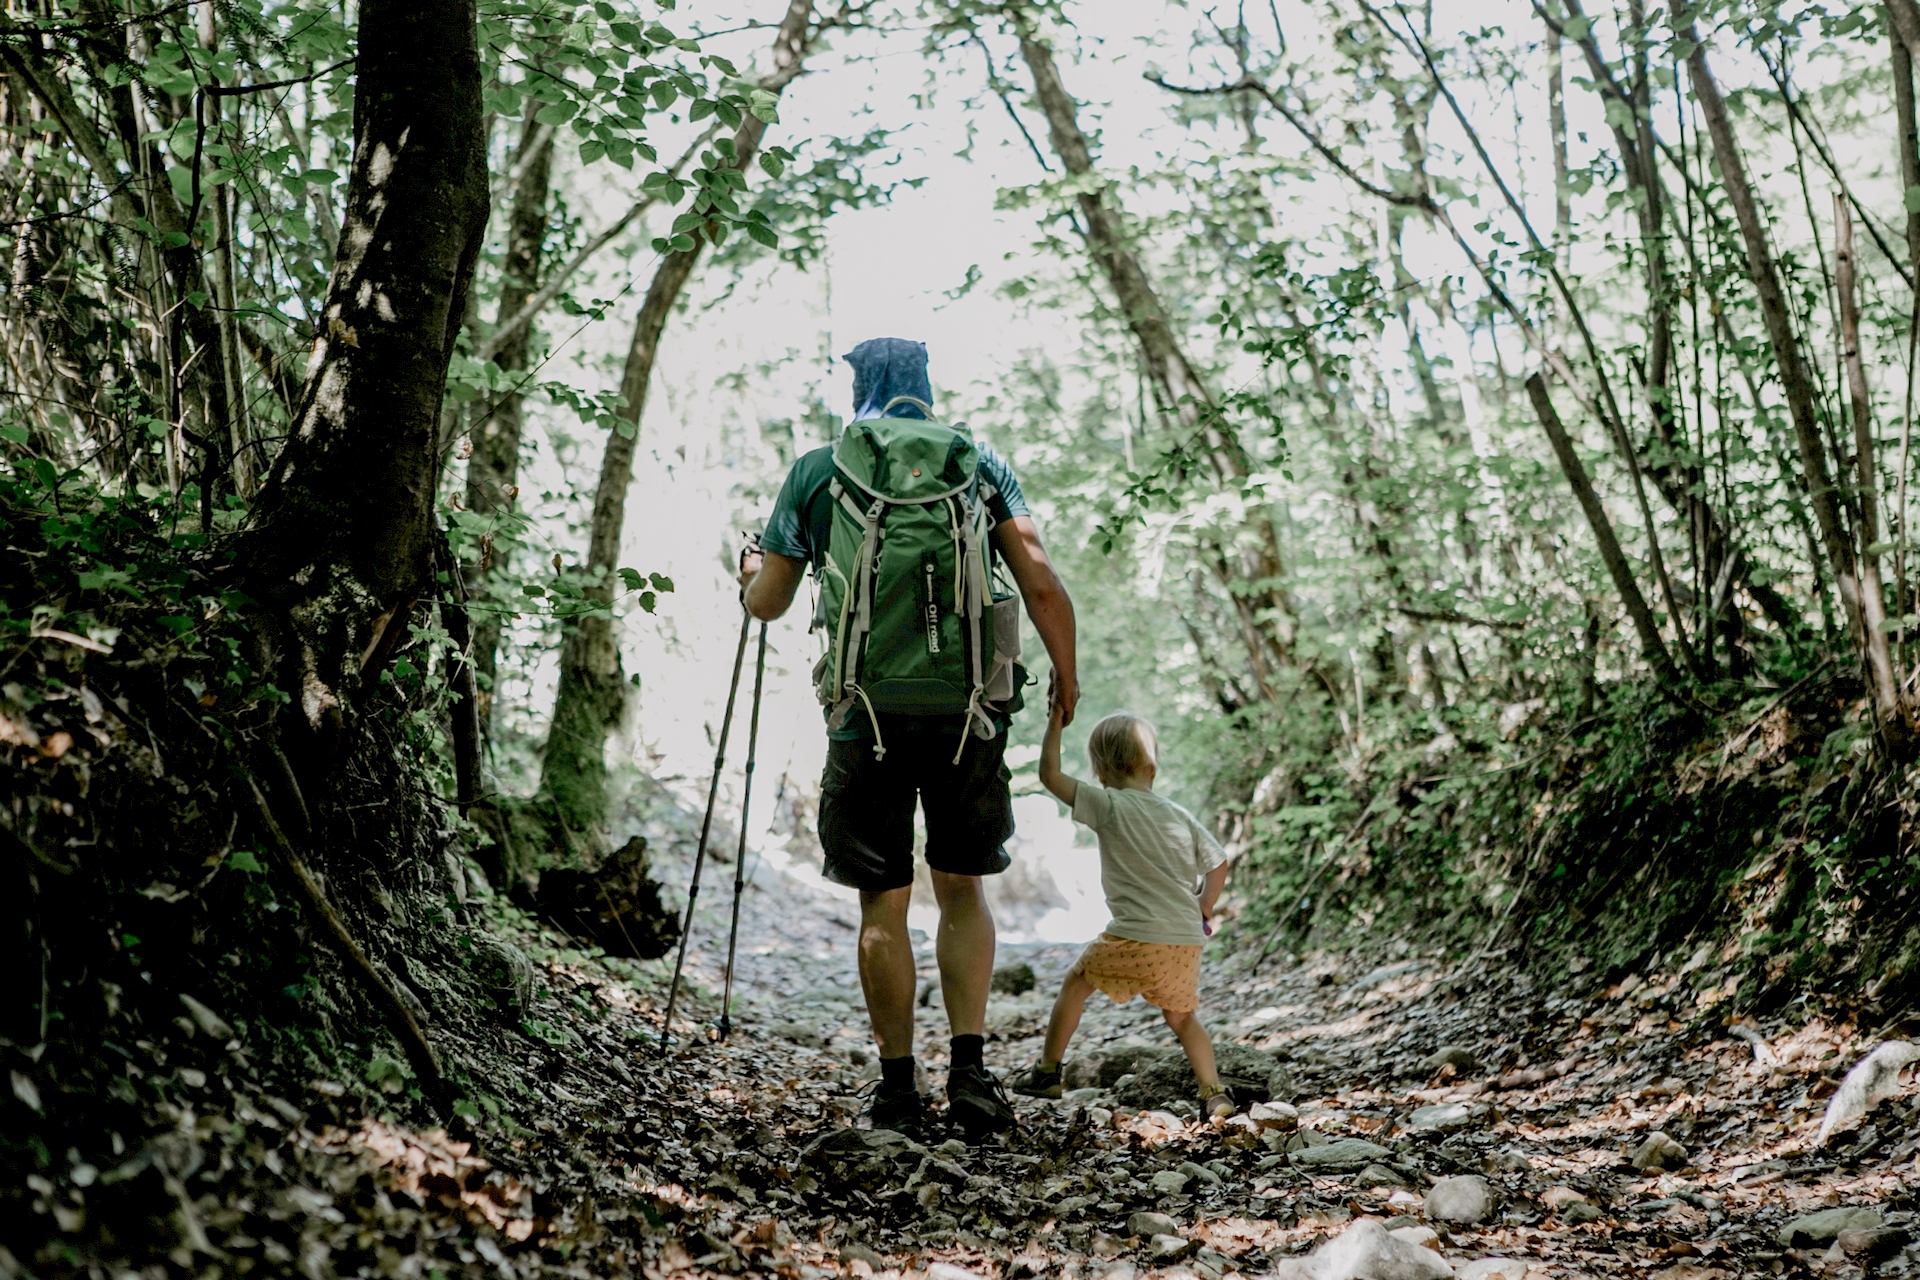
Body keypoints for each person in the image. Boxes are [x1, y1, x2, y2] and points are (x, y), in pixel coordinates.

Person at [738, 337, 1078, 1140]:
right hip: (970, 714)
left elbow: (767, 606)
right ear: (927, 385)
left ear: (857, 388)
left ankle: (896, 1087)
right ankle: (971, 1075)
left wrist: (750, 567)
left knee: (881, 905)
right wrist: (1067, 675)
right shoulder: (979, 464)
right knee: (964, 890)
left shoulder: (820, 470)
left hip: (866, 715)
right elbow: (1037, 577)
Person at [1013, 701, 1234, 1119]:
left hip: (1134, 934)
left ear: (1101, 770)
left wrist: (1054, 725)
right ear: (1152, 766)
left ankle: (1046, 1073)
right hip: (1183, 939)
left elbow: (1049, 777)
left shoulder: (1108, 805)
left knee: (1076, 983)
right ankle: (1213, 1092)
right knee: (1183, 1017)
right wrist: (1203, 905)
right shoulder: (1179, 815)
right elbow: (1218, 861)